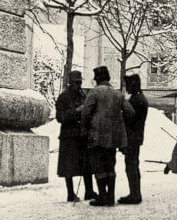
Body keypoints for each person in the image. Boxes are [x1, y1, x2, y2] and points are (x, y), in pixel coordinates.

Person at [81, 66, 131, 206]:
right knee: (110, 166)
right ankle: (111, 196)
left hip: (96, 135)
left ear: (97, 78)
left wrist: (85, 127)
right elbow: (130, 112)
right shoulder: (118, 94)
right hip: (114, 137)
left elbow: (85, 113)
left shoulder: (94, 92)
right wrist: (118, 121)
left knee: (99, 166)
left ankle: (102, 196)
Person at [55, 71, 96, 202]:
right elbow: (60, 117)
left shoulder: (83, 96)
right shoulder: (63, 97)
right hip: (69, 136)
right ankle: (70, 193)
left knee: (86, 164)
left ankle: (89, 191)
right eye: (76, 82)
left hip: (82, 135)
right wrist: (77, 111)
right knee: (69, 167)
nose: (78, 85)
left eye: (80, 82)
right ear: (70, 83)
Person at [120, 74, 148, 205]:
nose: (126, 87)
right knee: (133, 165)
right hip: (136, 137)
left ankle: (134, 195)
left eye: (128, 85)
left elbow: (127, 118)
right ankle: (135, 193)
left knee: (131, 166)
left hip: (131, 137)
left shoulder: (136, 100)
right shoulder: (140, 98)